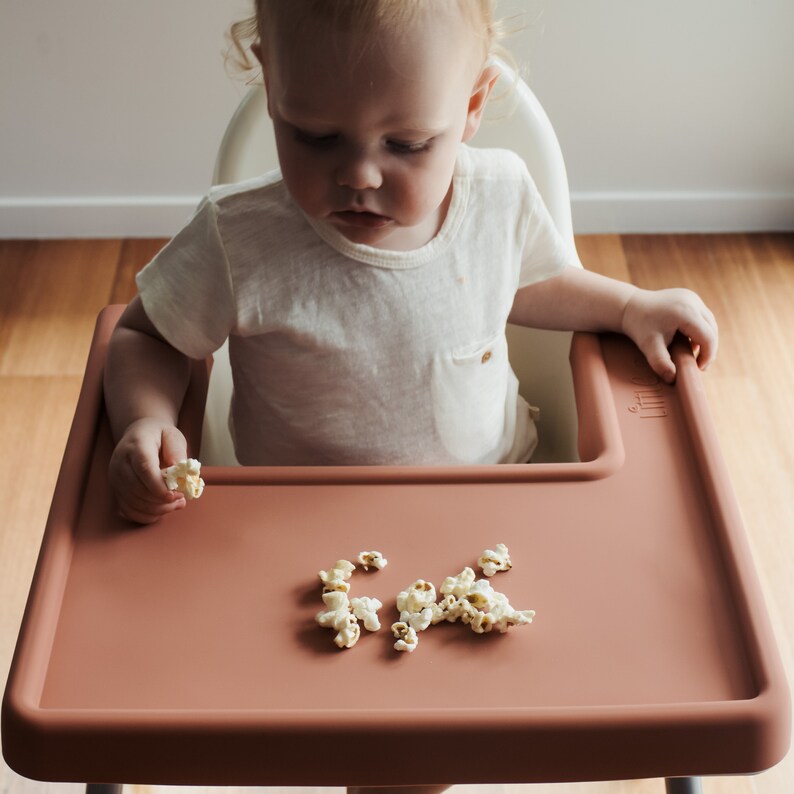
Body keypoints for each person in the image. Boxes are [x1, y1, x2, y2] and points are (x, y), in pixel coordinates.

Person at [105, 0, 718, 530]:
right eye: (315, 136)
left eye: (407, 144)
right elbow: (144, 334)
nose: (359, 175)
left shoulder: (498, 199)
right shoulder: (238, 238)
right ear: (272, 89)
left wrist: (631, 307)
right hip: (288, 522)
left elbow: (538, 281)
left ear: (473, 105)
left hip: (494, 502)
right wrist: (145, 420)